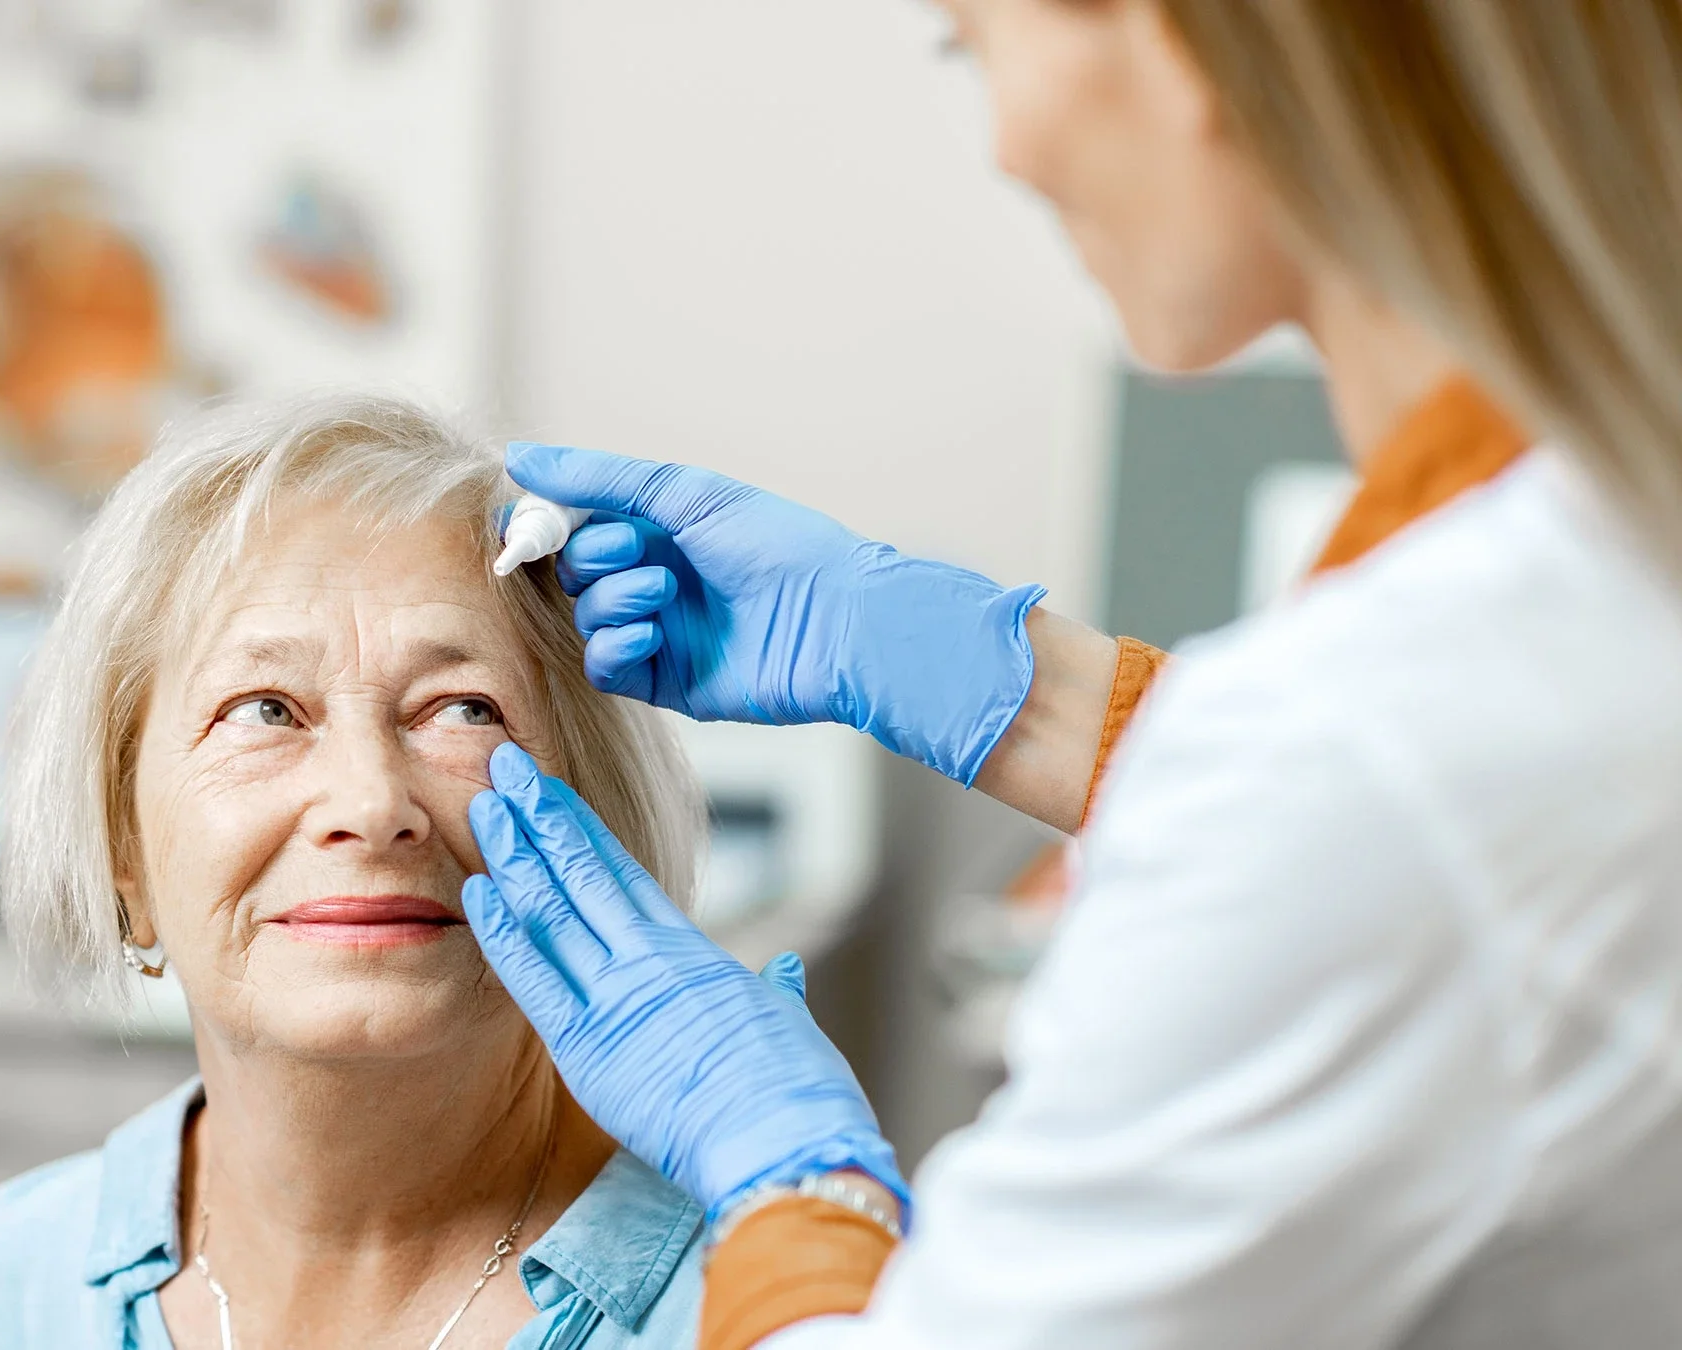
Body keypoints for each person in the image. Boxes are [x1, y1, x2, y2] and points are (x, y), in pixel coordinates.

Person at [462, 2, 1682, 1348]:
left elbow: (1379, 817)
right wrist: (1002, 684)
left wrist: (780, 1166)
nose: (1006, 148)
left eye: (972, 43)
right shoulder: (1565, 572)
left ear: (1190, 44)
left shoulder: (1362, 751)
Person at [0, 394, 725, 1349]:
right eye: (264, 709)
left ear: (588, 811)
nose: (371, 805)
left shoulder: (779, 1307)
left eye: (463, 709)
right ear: (122, 852)